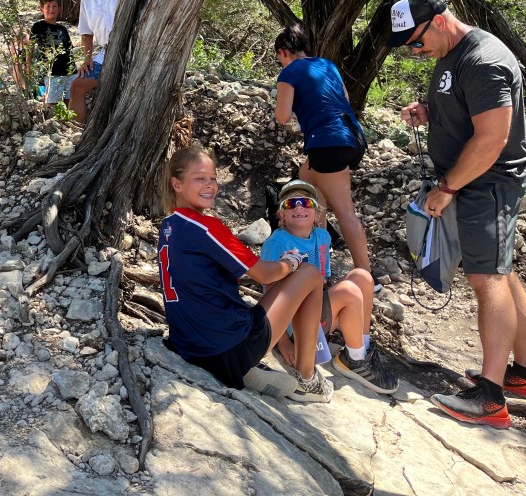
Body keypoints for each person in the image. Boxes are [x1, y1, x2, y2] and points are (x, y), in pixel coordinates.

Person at [391, 0, 526, 429]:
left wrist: (447, 188)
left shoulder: (483, 61)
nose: (415, 51)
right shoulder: (452, 54)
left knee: (487, 278)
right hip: (473, 183)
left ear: (439, 21)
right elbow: (466, 111)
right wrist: (429, 113)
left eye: (416, 41)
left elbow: (491, 139)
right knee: (501, 270)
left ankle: (490, 397)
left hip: (487, 184)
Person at [158, 145, 333, 402]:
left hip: (188, 344)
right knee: (310, 273)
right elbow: (264, 274)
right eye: (199, 179)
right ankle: (307, 379)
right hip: (227, 348)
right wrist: (291, 262)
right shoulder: (206, 227)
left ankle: (251, 370)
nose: (210, 185)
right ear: (177, 184)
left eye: (213, 178)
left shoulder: (168, 226)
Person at [261, 180, 398, 395]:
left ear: (317, 212)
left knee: (362, 277)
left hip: (314, 314)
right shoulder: (276, 243)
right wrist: (283, 342)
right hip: (291, 324)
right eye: (291, 203)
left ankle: (358, 351)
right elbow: (268, 292)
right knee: (348, 291)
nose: (299, 207)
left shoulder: (322, 237)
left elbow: (323, 280)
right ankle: (354, 359)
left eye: (306, 202)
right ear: (281, 215)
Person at [273, 25, 372, 279]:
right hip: (351, 137)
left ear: (283, 52)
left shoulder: (289, 72)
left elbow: (282, 116)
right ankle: (318, 266)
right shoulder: (328, 65)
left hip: (327, 143)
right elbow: (345, 99)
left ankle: (366, 277)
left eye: (279, 58)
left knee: (344, 211)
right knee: (307, 188)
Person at [70, 0, 122, 124]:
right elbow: (86, 33)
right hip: (107, 52)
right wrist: (87, 59)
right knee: (77, 85)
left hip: (134, 48)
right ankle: (74, 131)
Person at [28, 0, 76, 105]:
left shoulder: (63, 29)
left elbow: (69, 49)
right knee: (52, 102)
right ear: (42, 9)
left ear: (59, 9)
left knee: (70, 100)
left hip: (70, 71)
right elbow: (30, 48)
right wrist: (29, 67)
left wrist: (73, 68)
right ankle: (51, 117)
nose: (51, 9)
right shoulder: (38, 27)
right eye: (48, 6)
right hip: (52, 71)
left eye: (54, 6)